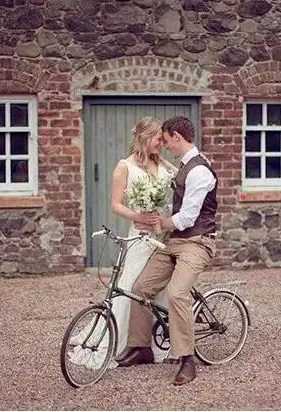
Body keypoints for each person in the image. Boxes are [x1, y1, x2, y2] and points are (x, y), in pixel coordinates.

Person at [117, 116, 218, 386]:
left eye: (166, 139)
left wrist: (157, 223)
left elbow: (187, 218)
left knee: (177, 293)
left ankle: (187, 359)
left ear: (176, 136)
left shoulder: (199, 171)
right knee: (140, 288)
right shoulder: (184, 165)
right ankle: (141, 348)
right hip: (175, 241)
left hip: (198, 242)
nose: (164, 145)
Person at [68, 117, 175, 369]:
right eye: (158, 138)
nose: (161, 143)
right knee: (130, 286)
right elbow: (115, 205)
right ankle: (122, 340)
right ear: (145, 137)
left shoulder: (162, 163)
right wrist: (139, 216)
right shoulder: (123, 167)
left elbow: (182, 178)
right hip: (140, 235)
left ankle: (158, 338)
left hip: (163, 233)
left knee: (159, 285)